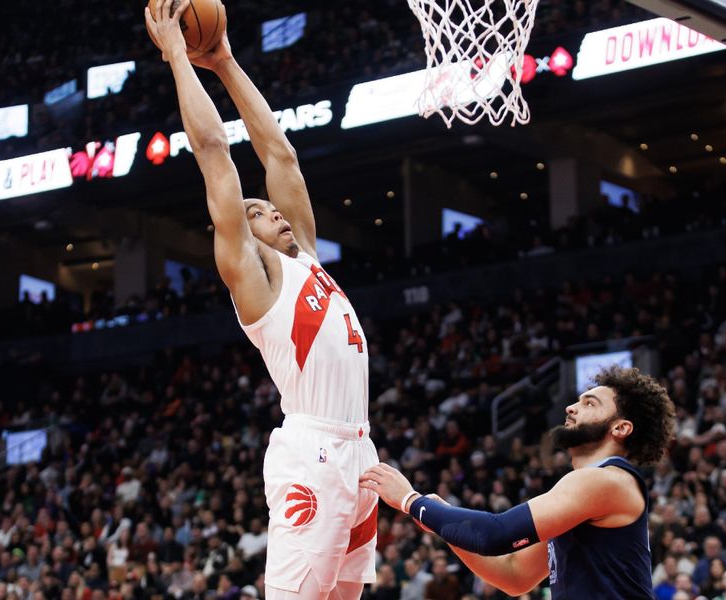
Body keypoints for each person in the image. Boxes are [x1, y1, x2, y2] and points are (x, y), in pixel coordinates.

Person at [144, 3, 378, 598]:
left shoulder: (308, 260)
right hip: (315, 454)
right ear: (237, 236)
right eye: (253, 211)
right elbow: (214, 152)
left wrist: (224, 61)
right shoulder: (254, 276)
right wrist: (177, 52)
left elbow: (281, 157)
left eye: (267, 206)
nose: (269, 208)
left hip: (359, 450)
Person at [361, 366, 676, 599]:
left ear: (620, 428)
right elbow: (514, 576)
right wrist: (443, 526)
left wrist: (411, 501)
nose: (571, 407)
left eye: (590, 404)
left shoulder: (606, 480)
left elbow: (495, 534)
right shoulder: (585, 490)